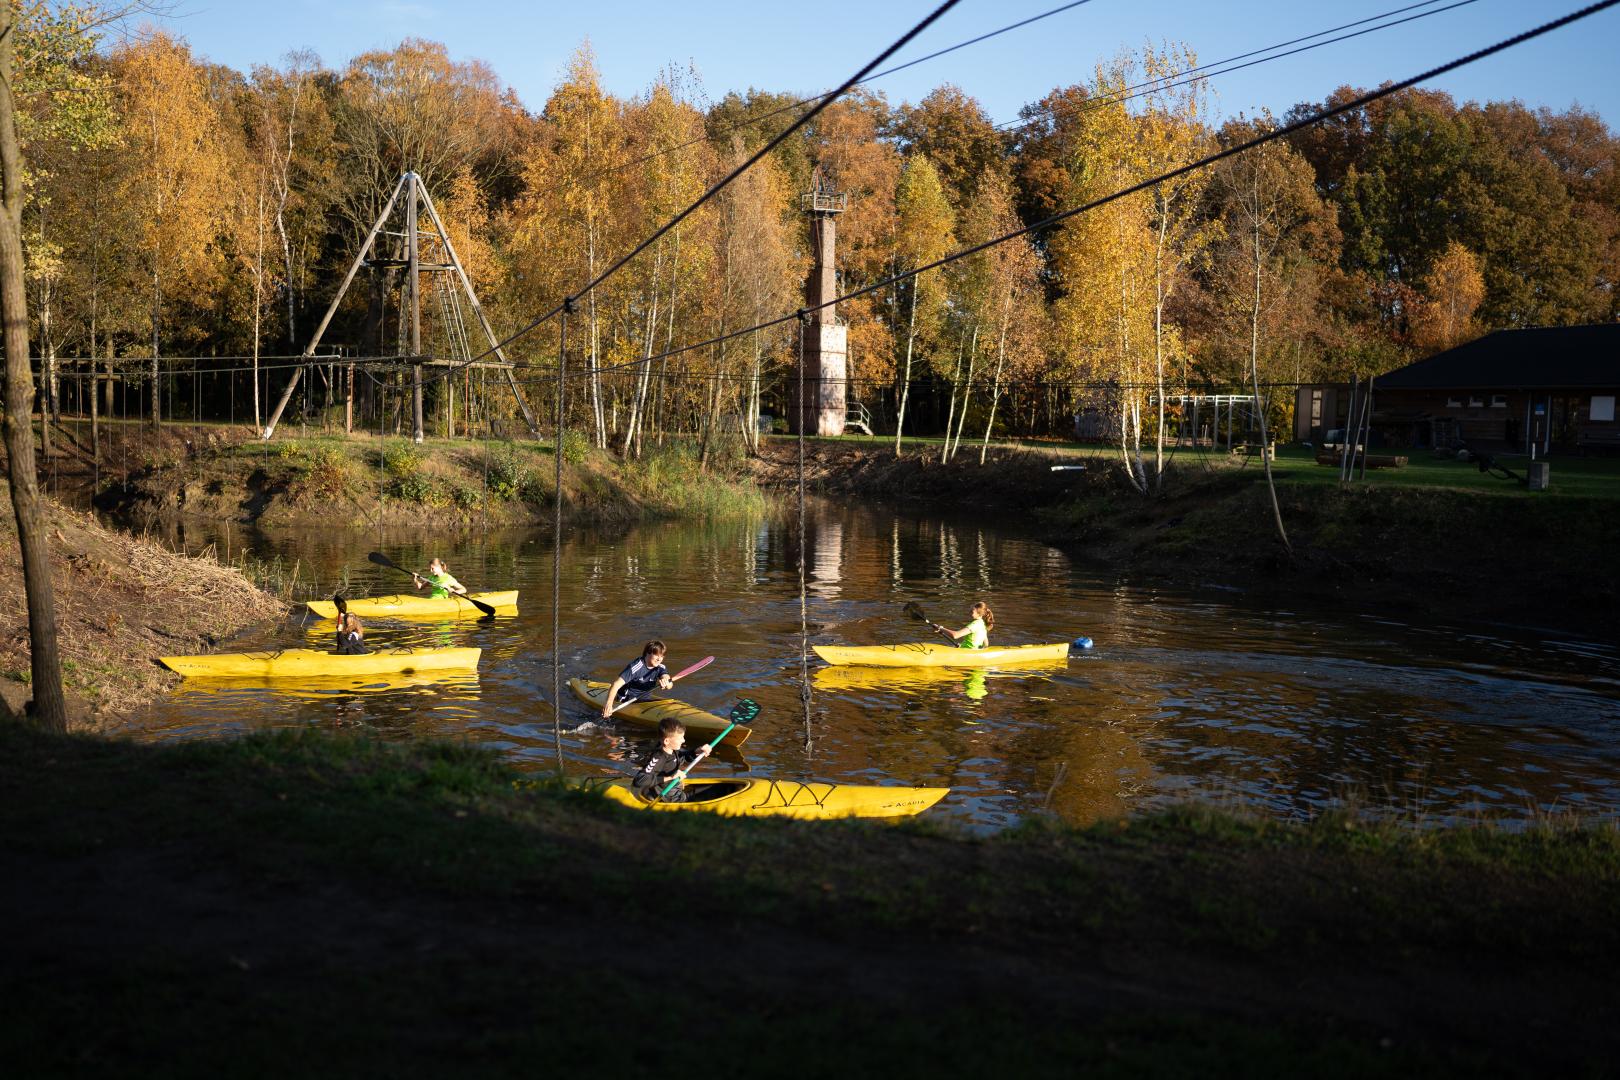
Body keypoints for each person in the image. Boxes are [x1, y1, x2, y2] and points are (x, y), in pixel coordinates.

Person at [630, 716, 711, 803]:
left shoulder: (672, 750)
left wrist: (696, 751)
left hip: (676, 790)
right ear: (667, 741)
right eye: (680, 738)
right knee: (713, 792)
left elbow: (682, 758)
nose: (683, 740)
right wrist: (671, 777)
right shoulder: (659, 757)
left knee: (717, 788)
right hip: (670, 798)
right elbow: (639, 780)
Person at [600, 639, 673, 719]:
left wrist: (666, 682)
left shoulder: (660, 667)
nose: (659, 659)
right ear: (647, 653)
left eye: (662, 656)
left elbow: (669, 682)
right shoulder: (636, 667)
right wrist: (609, 704)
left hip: (644, 701)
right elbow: (616, 684)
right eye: (656, 655)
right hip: (626, 700)